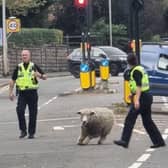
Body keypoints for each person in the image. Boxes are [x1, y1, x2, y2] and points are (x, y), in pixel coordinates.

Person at [114, 53, 166, 148]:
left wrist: (136, 100)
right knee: (147, 121)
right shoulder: (140, 68)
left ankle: (124, 140)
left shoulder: (135, 71)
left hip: (142, 98)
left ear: (128, 62)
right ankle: (159, 141)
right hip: (147, 96)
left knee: (130, 119)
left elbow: (139, 85)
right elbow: (140, 85)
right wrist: (132, 94)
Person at [9, 49, 47, 139]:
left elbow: (45, 77)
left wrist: (40, 75)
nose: (24, 56)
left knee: (33, 113)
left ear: (29, 56)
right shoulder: (18, 67)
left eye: (26, 55)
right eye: (23, 55)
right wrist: (10, 92)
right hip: (22, 93)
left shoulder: (34, 66)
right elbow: (12, 80)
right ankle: (23, 130)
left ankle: (31, 133)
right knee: (20, 110)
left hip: (32, 92)